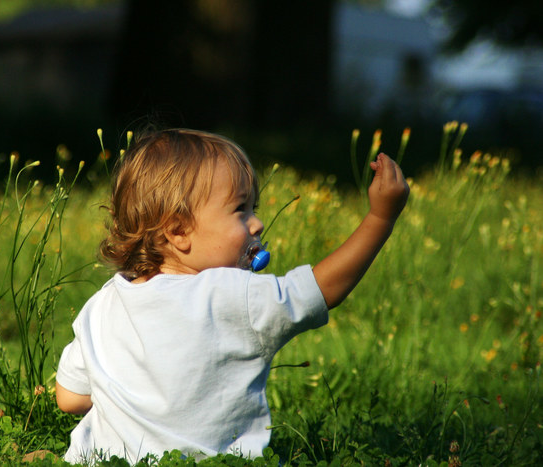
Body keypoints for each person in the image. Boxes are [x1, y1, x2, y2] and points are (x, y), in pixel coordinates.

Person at [55, 128, 409, 464]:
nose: (257, 224)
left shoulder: (101, 304)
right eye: (242, 209)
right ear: (178, 230)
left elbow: (69, 398)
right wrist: (381, 218)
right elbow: (323, 290)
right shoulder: (230, 295)